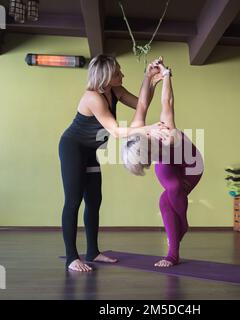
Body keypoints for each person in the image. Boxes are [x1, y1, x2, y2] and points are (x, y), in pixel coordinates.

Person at [59, 55, 169, 272]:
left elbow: (141, 105)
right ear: (106, 76)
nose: (122, 75)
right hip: (72, 148)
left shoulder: (114, 90)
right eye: (118, 73)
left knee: (94, 200)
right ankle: (71, 257)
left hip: (90, 151)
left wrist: (149, 79)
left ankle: (92, 252)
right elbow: (116, 131)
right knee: (73, 201)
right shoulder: (93, 97)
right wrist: (148, 129)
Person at [122, 57, 204, 267]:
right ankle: (173, 253)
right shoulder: (139, 129)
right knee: (163, 200)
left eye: (146, 160)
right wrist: (148, 77)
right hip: (169, 162)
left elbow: (166, 101)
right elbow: (142, 103)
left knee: (174, 186)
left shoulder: (166, 133)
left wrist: (167, 75)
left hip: (191, 166)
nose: (148, 165)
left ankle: (182, 224)